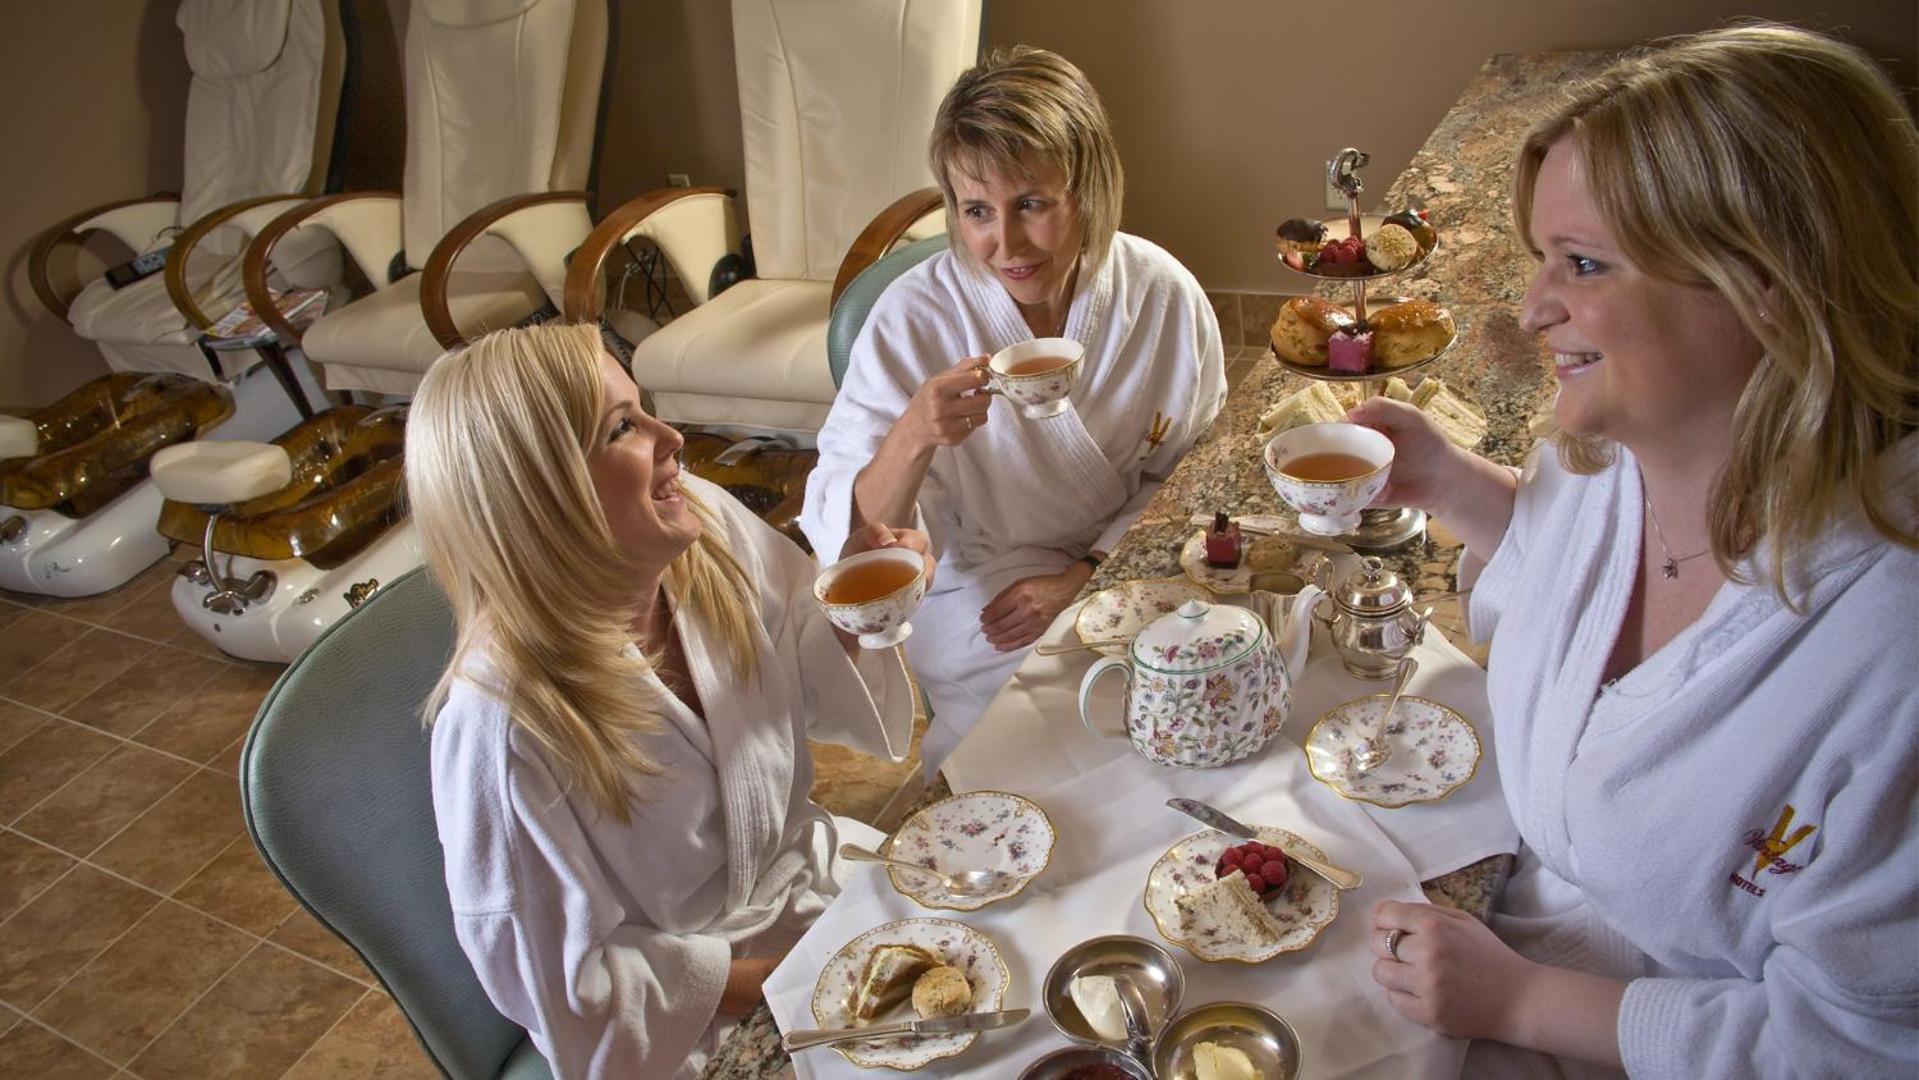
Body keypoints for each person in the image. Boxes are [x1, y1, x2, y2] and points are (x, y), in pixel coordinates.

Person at [1347, 25, 1919, 1078]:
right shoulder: (1612, 454)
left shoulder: (1888, 654)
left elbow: (1858, 1047)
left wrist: (1524, 1001)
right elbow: (1573, 580)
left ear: (1765, 281)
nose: (1531, 310)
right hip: (1525, 924)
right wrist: (1447, 484)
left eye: (1582, 264)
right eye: (1540, 259)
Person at [405, 323, 929, 1078]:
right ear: (544, 495)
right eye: (622, 428)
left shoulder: (701, 525)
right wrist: (775, 982)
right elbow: (568, 990)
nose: (672, 437)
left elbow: (799, 679)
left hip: (807, 894)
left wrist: (853, 605)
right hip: (687, 1020)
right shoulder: (502, 731)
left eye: (642, 408)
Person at [802, 46, 1226, 770]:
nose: (1006, 244)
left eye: (1032, 204)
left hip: (1127, 556)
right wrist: (915, 433)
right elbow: (858, 545)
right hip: (981, 587)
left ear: (1088, 191)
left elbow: (1193, 475)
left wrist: (1086, 574)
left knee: (1212, 673)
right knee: (1049, 722)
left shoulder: (1160, 292)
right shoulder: (914, 318)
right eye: (977, 212)